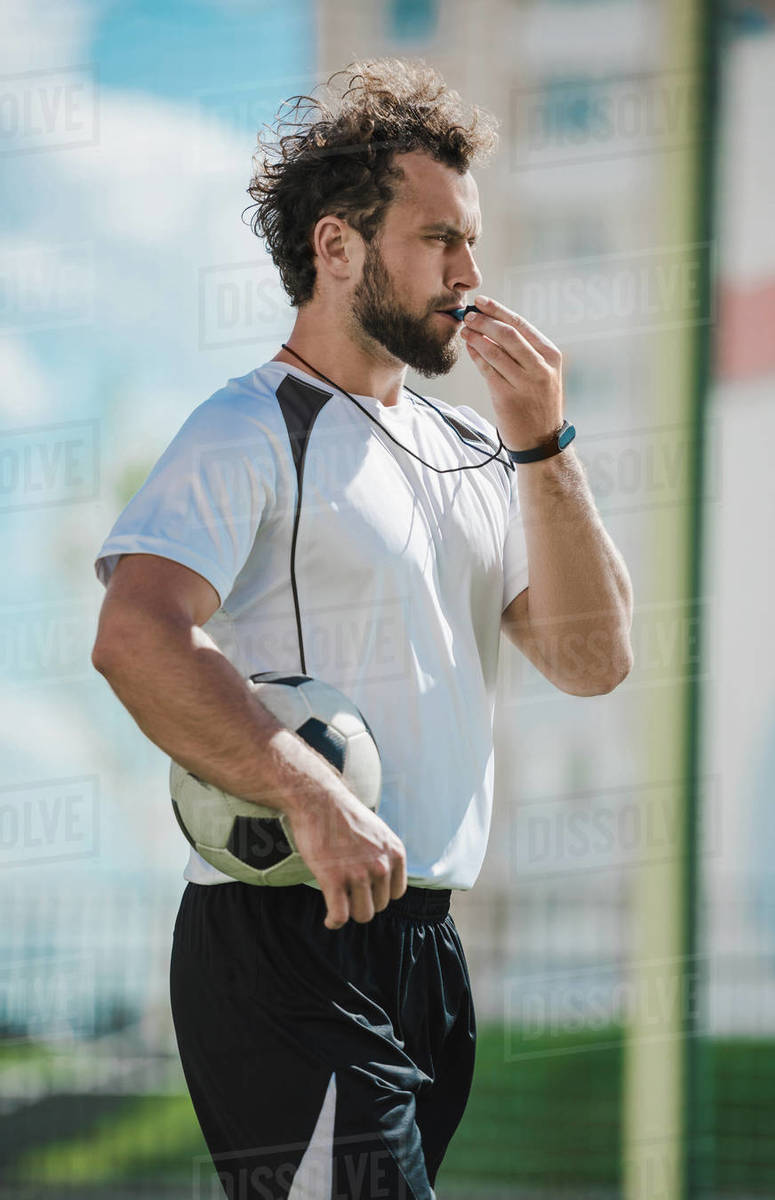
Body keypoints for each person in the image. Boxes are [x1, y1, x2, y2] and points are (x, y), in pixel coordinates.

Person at [91, 58, 633, 1200]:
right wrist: (311, 793)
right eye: (440, 240)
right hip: (283, 934)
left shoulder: (479, 453)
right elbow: (137, 636)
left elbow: (594, 660)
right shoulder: (248, 425)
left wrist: (543, 439)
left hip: (429, 952)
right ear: (337, 248)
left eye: (472, 242)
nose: (471, 275)